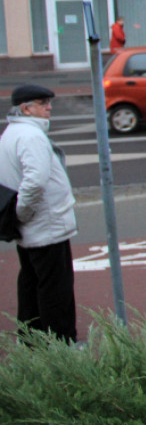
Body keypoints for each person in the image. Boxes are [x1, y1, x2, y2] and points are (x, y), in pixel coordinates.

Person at [0, 85, 78, 343]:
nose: (49, 107)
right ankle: (62, 345)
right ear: (25, 108)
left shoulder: (12, 132)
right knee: (56, 290)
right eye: (43, 102)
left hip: (33, 228)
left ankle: (32, 341)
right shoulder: (30, 136)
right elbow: (35, 182)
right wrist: (23, 213)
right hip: (46, 226)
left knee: (32, 285)